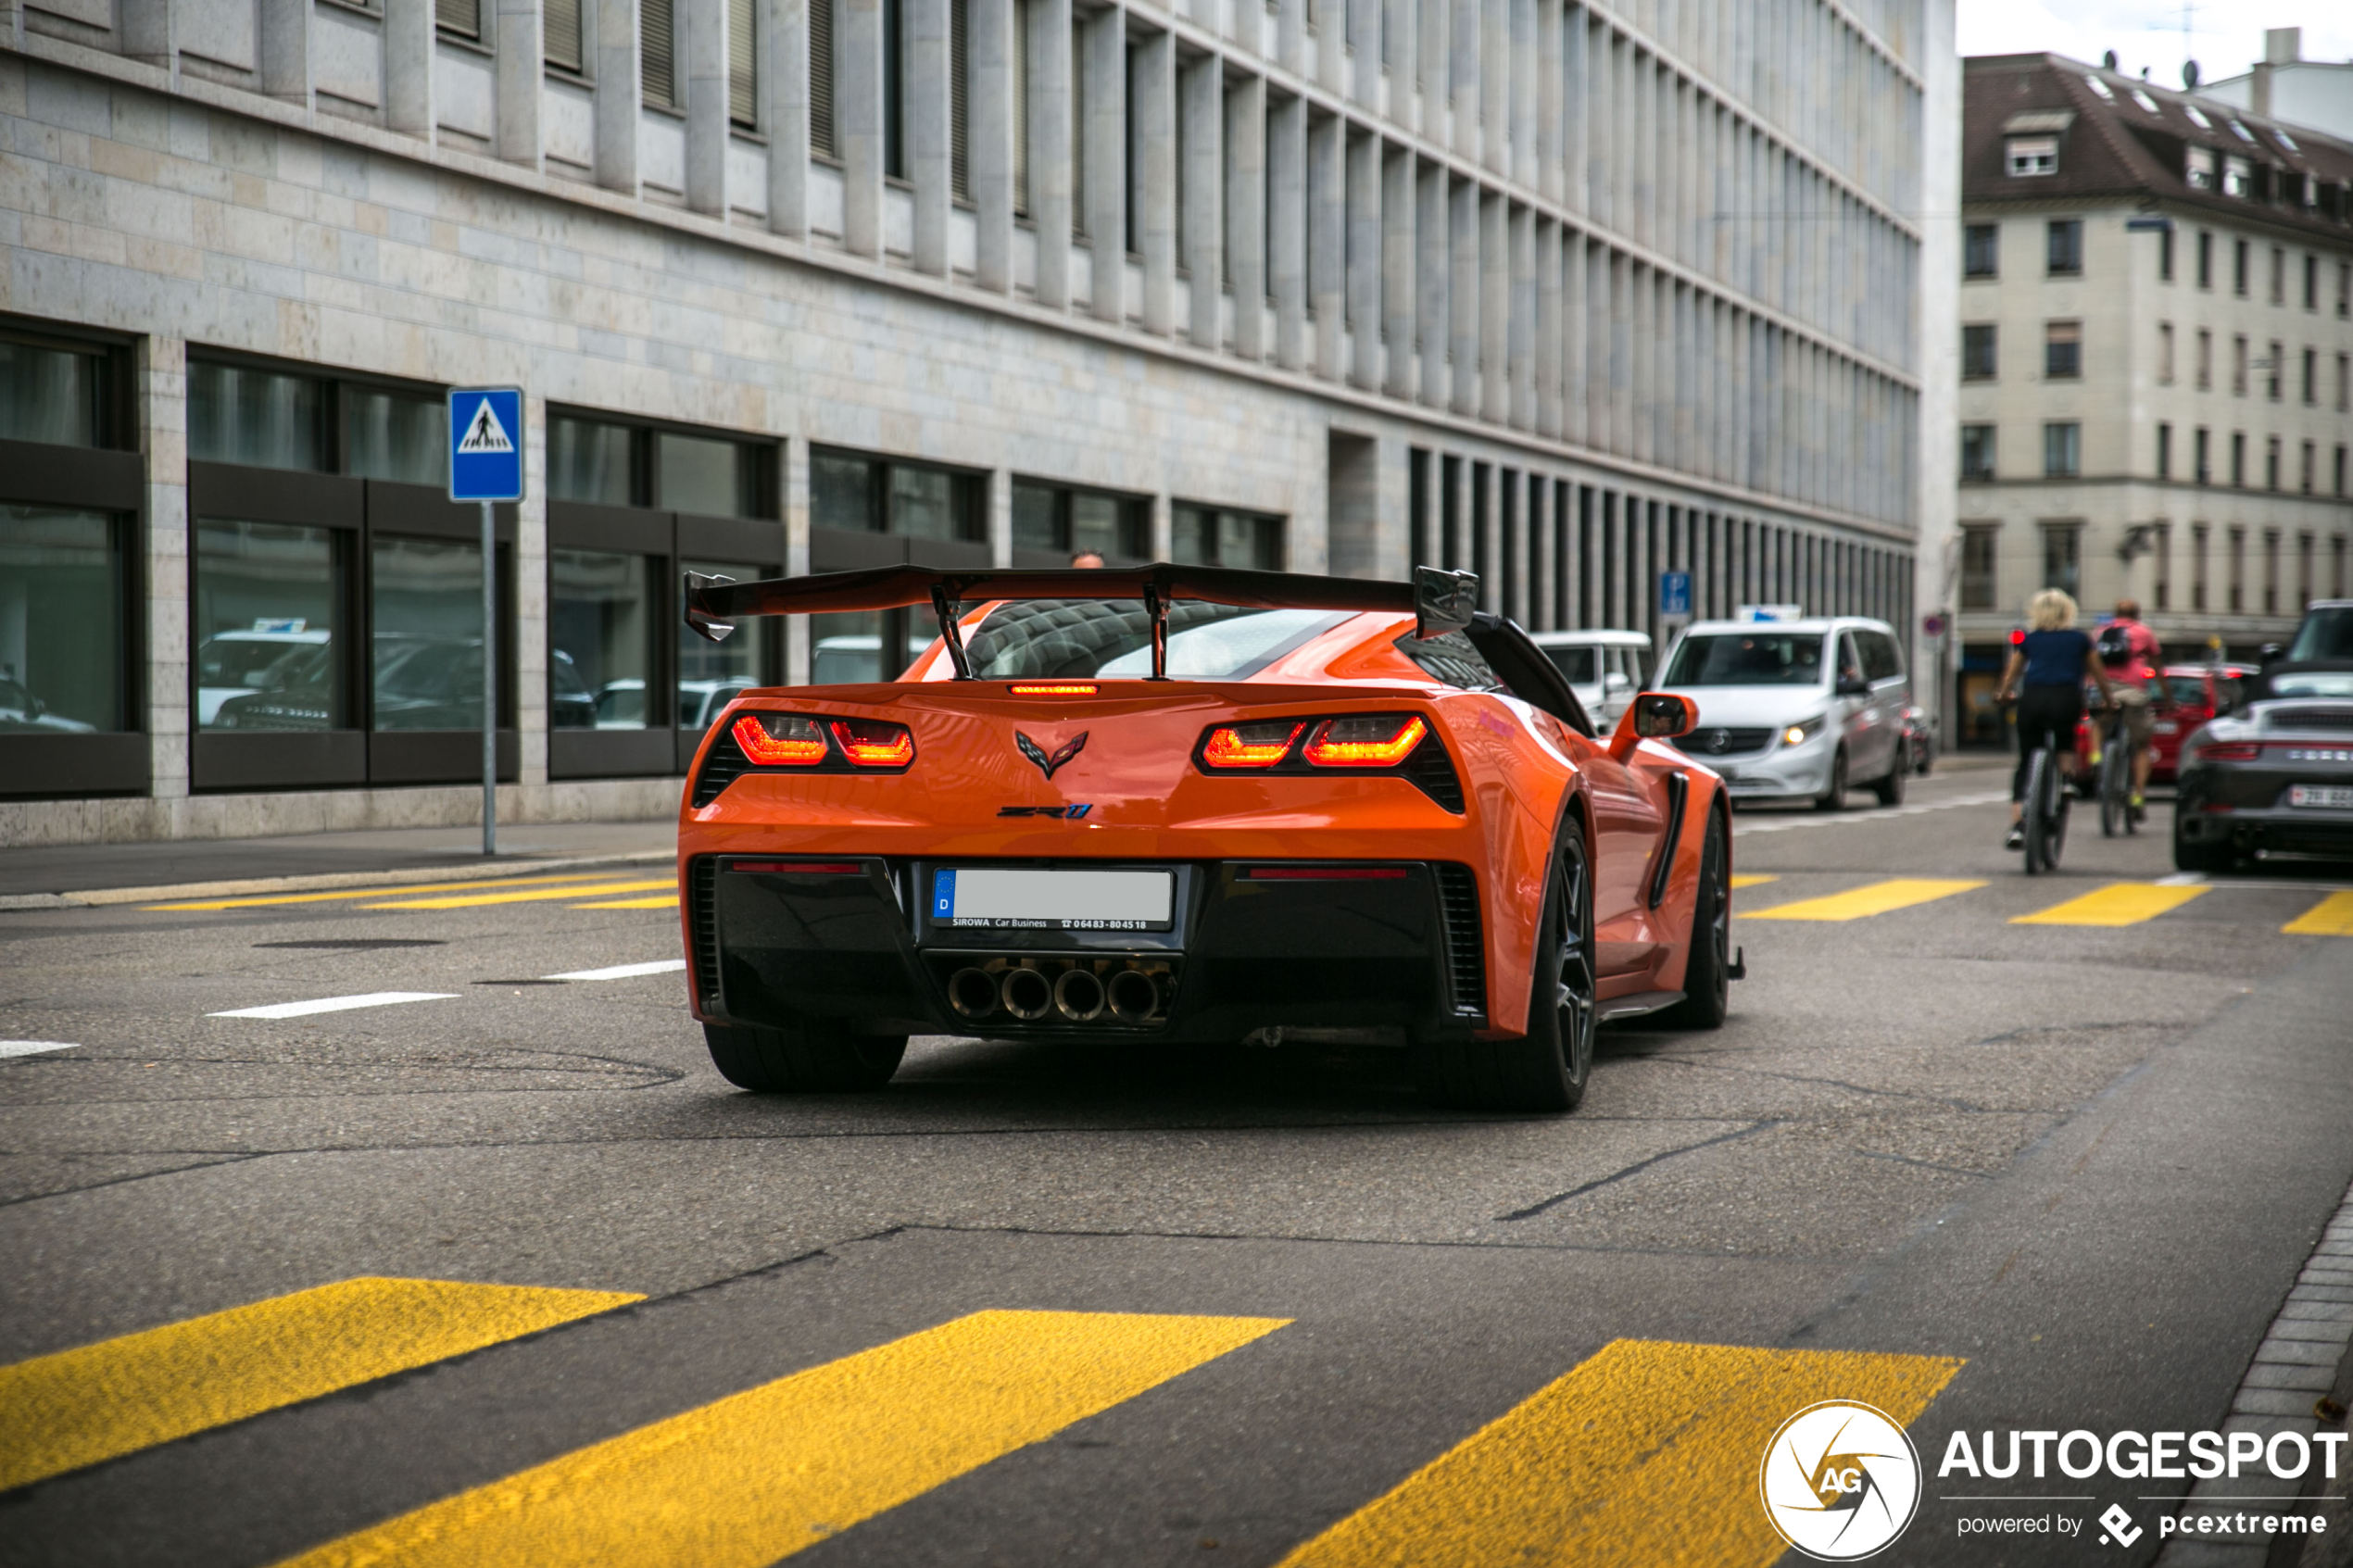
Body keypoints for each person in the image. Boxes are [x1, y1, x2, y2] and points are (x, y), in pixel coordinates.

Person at [1994, 588, 2119, 850]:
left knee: (2025, 761)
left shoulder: (2029, 640)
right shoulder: (2080, 640)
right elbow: (2098, 674)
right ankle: (2065, 782)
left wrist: (2004, 694)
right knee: (2065, 739)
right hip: (2066, 697)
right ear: (2068, 612)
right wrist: (2109, 700)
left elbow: (2012, 673)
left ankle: (2018, 825)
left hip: (2033, 698)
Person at [2092, 598, 2164, 812]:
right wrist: (2167, 698)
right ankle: (2138, 796)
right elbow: (2157, 667)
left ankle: (2096, 757)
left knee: (2098, 722)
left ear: (2115, 614)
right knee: (2142, 745)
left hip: (2104, 689)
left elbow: (2091, 661)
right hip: (2133, 691)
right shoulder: (2143, 632)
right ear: (2137, 614)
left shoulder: (2100, 631)